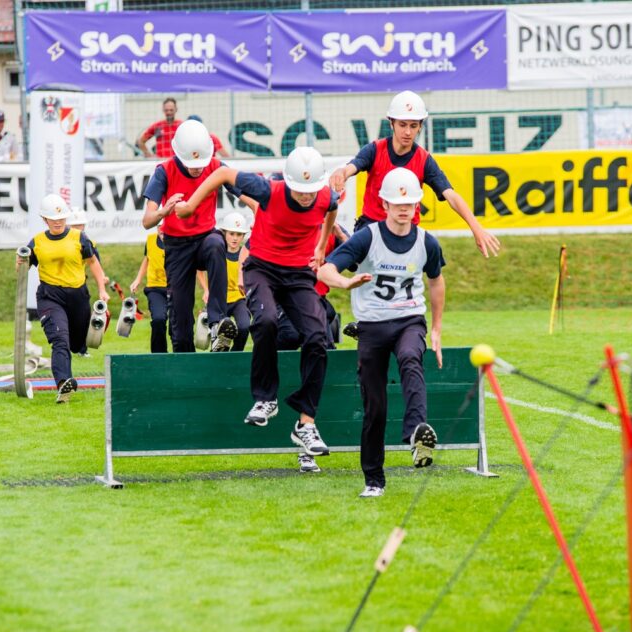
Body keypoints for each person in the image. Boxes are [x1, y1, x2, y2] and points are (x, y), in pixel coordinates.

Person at [175, 146, 338, 467]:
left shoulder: (324, 196)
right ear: (288, 182)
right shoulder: (267, 190)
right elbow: (221, 173)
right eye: (300, 191)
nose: (306, 198)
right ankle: (265, 399)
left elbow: (330, 210)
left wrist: (321, 246)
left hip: (299, 275)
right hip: (261, 267)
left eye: (311, 191)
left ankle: (306, 423)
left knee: (318, 336)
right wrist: (192, 204)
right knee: (265, 322)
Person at [318, 167, 446, 498]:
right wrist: (346, 281)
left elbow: (436, 280)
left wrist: (436, 329)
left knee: (410, 358)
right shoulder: (367, 238)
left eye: (410, 203)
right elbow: (326, 268)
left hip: (408, 319)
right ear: (385, 205)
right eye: (397, 203)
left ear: (417, 205)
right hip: (372, 325)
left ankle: (417, 432)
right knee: (375, 406)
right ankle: (374, 479)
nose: (404, 209)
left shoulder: (426, 242)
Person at [329, 90, 501, 261]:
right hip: (371, 227)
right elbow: (352, 166)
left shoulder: (424, 160)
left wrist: (476, 228)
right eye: (402, 124)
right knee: (363, 267)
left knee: (431, 259)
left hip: (405, 231)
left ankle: (349, 245)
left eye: (413, 125)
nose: (408, 132)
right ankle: (349, 246)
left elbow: (451, 196)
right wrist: (341, 172)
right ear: (391, 123)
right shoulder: (374, 150)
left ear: (420, 126)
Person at [141, 118, 245, 353]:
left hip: (205, 238)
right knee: (180, 312)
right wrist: (164, 211)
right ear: (179, 154)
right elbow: (147, 220)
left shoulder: (216, 167)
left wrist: (258, 208)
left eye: (201, 162)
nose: (197, 168)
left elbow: (243, 192)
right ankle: (184, 357)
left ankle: (218, 321)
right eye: (191, 163)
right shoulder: (164, 171)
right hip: (177, 247)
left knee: (217, 244)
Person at [17, 194, 109, 404]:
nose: (58, 222)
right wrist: (20, 261)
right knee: (60, 340)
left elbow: (93, 262)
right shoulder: (37, 242)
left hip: (78, 296)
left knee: (77, 343)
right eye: (53, 218)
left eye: (61, 218)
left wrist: (102, 289)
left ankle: (74, 355)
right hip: (50, 296)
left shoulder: (79, 238)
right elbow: (21, 268)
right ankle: (64, 383)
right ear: (44, 219)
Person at [130, 229, 170, 354]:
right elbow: (147, 259)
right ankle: (159, 356)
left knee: (178, 326)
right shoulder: (151, 239)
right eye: (160, 227)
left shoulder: (179, 240)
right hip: (155, 288)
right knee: (158, 319)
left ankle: (181, 359)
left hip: (176, 288)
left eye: (165, 226)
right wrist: (138, 280)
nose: (162, 230)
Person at [218, 211, 251, 351]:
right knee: (222, 337)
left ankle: (236, 355)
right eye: (231, 233)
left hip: (239, 299)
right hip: (220, 298)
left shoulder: (246, 254)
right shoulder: (217, 251)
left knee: (244, 327)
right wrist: (206, 290)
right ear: (224, 233)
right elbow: (199, 269)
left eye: (239, 234)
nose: (235, 238)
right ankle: (220, 359)